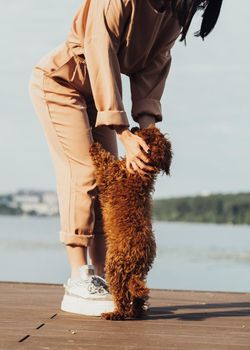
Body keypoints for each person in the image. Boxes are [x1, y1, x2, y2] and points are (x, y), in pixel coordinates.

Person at [29, 0, 223, 316]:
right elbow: (99, 49)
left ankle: (103, 277)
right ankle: (78, 277)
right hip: (62, 84)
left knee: (113, 190)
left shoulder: (174, 15)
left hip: (103, 99)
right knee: (87, 173)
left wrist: (146, 131)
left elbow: (155, 64)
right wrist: (122, 132)